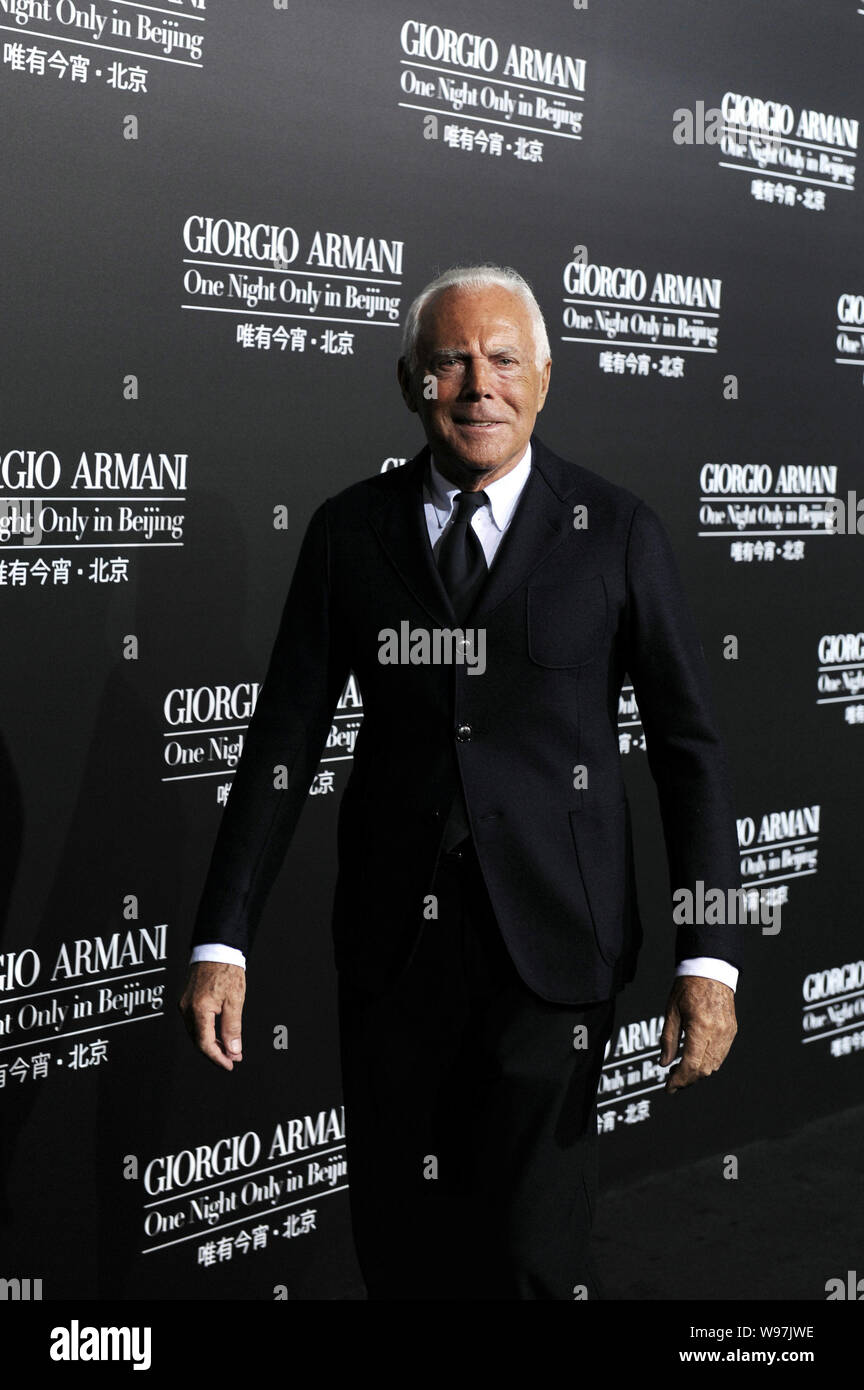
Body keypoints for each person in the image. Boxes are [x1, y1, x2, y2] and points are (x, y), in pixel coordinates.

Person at [179, 264, 742, 1300]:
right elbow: (281, 743)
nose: (479, 384)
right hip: (395, 957)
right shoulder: (350, 533)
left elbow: (688, 747)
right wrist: (222, 937)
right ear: (411, 382)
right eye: (452, 361)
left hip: (557, 955)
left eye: (503, 359)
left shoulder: (616, 532)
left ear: (545, 378)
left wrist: (710, 953)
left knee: (530, 1256)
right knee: (403, 1254)